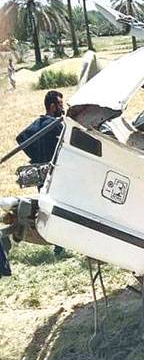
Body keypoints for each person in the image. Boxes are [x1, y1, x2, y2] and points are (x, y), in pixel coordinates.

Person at [16, 90, 65, 255]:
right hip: (55, 173)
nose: (62, 107)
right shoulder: (56, 124)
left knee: (49, 209)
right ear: (52, 106)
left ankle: (58, 245)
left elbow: (21, 138)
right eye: (60, 104)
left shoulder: (40, 123)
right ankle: (59, 245)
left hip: (42, 173)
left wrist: (35, 155)